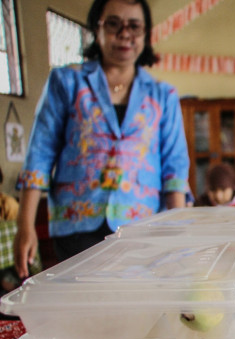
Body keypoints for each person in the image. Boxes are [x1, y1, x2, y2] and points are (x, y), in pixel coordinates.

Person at [13, 0, 189, 278]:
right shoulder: (67, 82)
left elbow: (174, 169)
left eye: (134, 26)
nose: (124, 34)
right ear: (97, 28)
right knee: (82, 310)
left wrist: (178, 234)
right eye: (113, 24)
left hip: (142, 228)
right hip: (77, 225)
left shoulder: (162, 95)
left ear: (146, 34)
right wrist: (26, 226)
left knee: (135, 309)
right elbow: (40, 154)